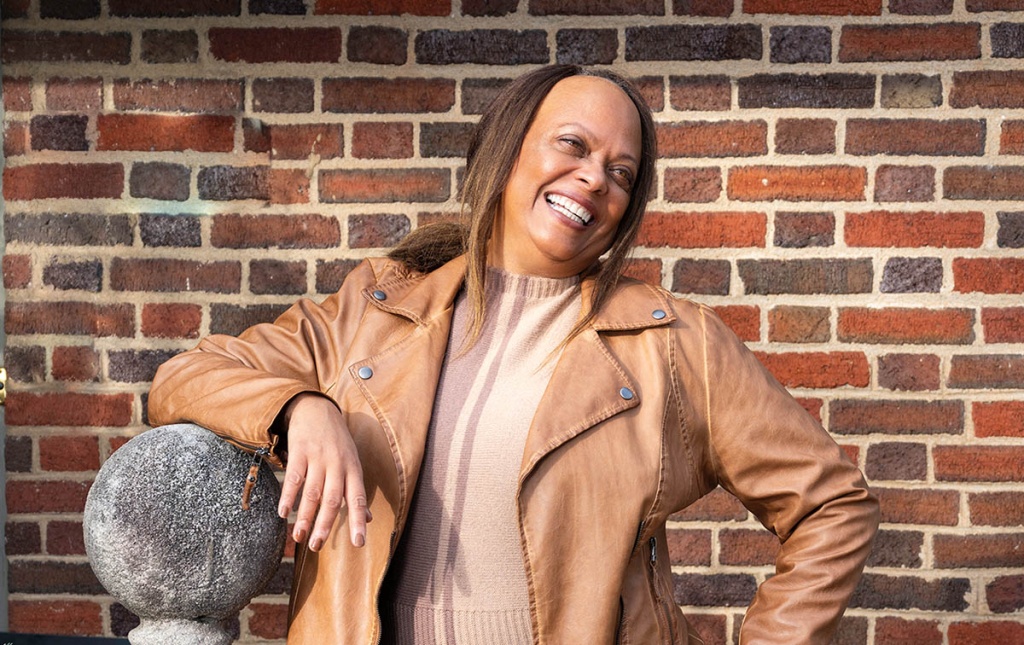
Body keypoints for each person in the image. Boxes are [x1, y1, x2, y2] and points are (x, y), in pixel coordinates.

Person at [148, 64, 879, 644]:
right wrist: (298, 407)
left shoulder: (673, 345)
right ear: (509, 147)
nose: (596, 178)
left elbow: (832, 504)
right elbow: (183, 378)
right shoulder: (373, 310)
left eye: (622, 173)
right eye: (574, 146)